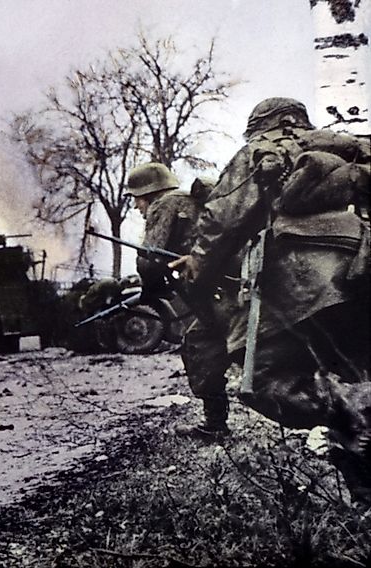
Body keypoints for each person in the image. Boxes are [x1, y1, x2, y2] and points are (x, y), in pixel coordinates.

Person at [172, 97, 371, 503]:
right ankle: (365, 498)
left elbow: (223, 220)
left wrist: (198, 269)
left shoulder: (265, 151)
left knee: (263, 381)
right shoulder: (352, 150)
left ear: (268, 125)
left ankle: (359, 413)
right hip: (363, 273)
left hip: (305, 281)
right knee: (349, 376)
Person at [126, 163, 235, 441]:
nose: (138, 208)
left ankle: (216, 425)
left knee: (199, 345)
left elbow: (149, 258)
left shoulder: (164, 205)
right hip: (227, 289)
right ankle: (215, 424)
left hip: (217, 295)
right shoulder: (190, 203)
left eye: (137, 200)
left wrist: (150, 292)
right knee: (205, 343)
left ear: (147, 194)